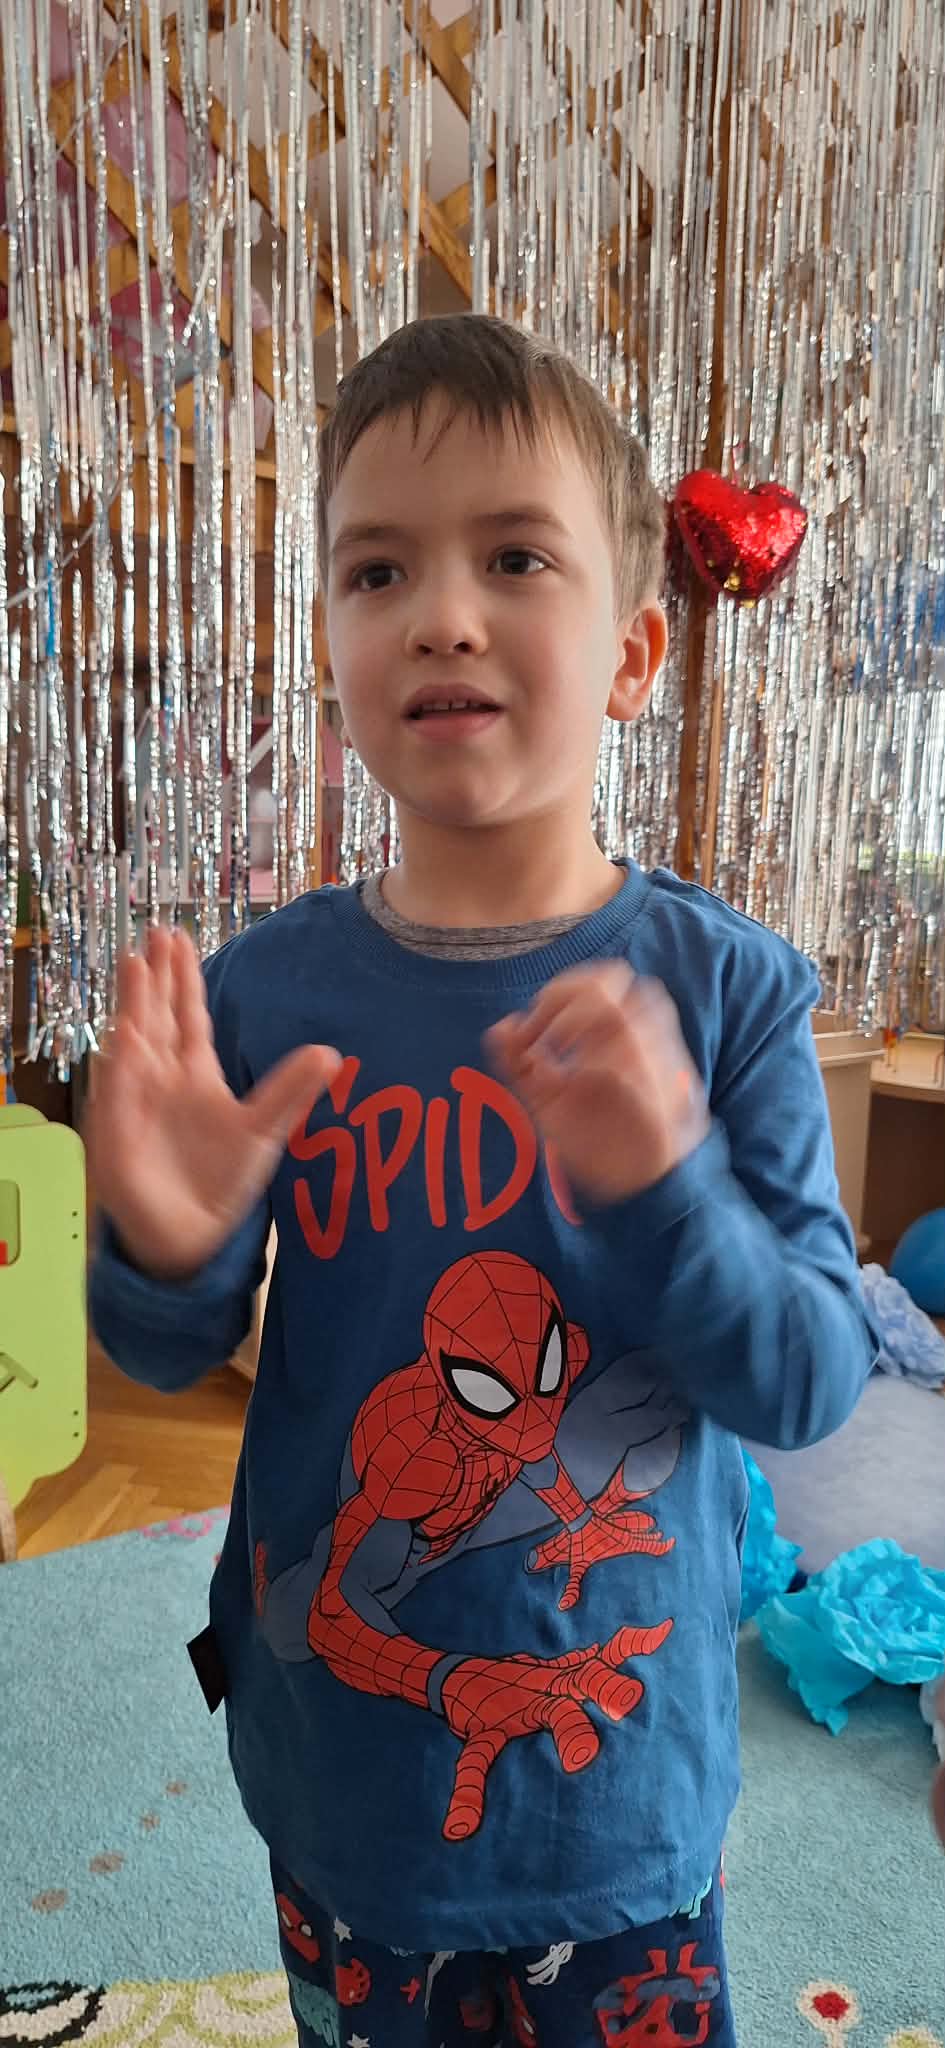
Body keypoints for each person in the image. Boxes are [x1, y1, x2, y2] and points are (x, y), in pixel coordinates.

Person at [88, 314, 875, 2048]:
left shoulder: (728, 994)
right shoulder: (263, 998)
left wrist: (668, 1191)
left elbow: (811, 1382)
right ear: (332, 645)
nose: (440, 613)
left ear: (633, 650)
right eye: (377, 571)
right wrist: (163, 1245)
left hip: (620, 1789)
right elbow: (158, 1352)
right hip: (341, 1779)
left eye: (514, 556)